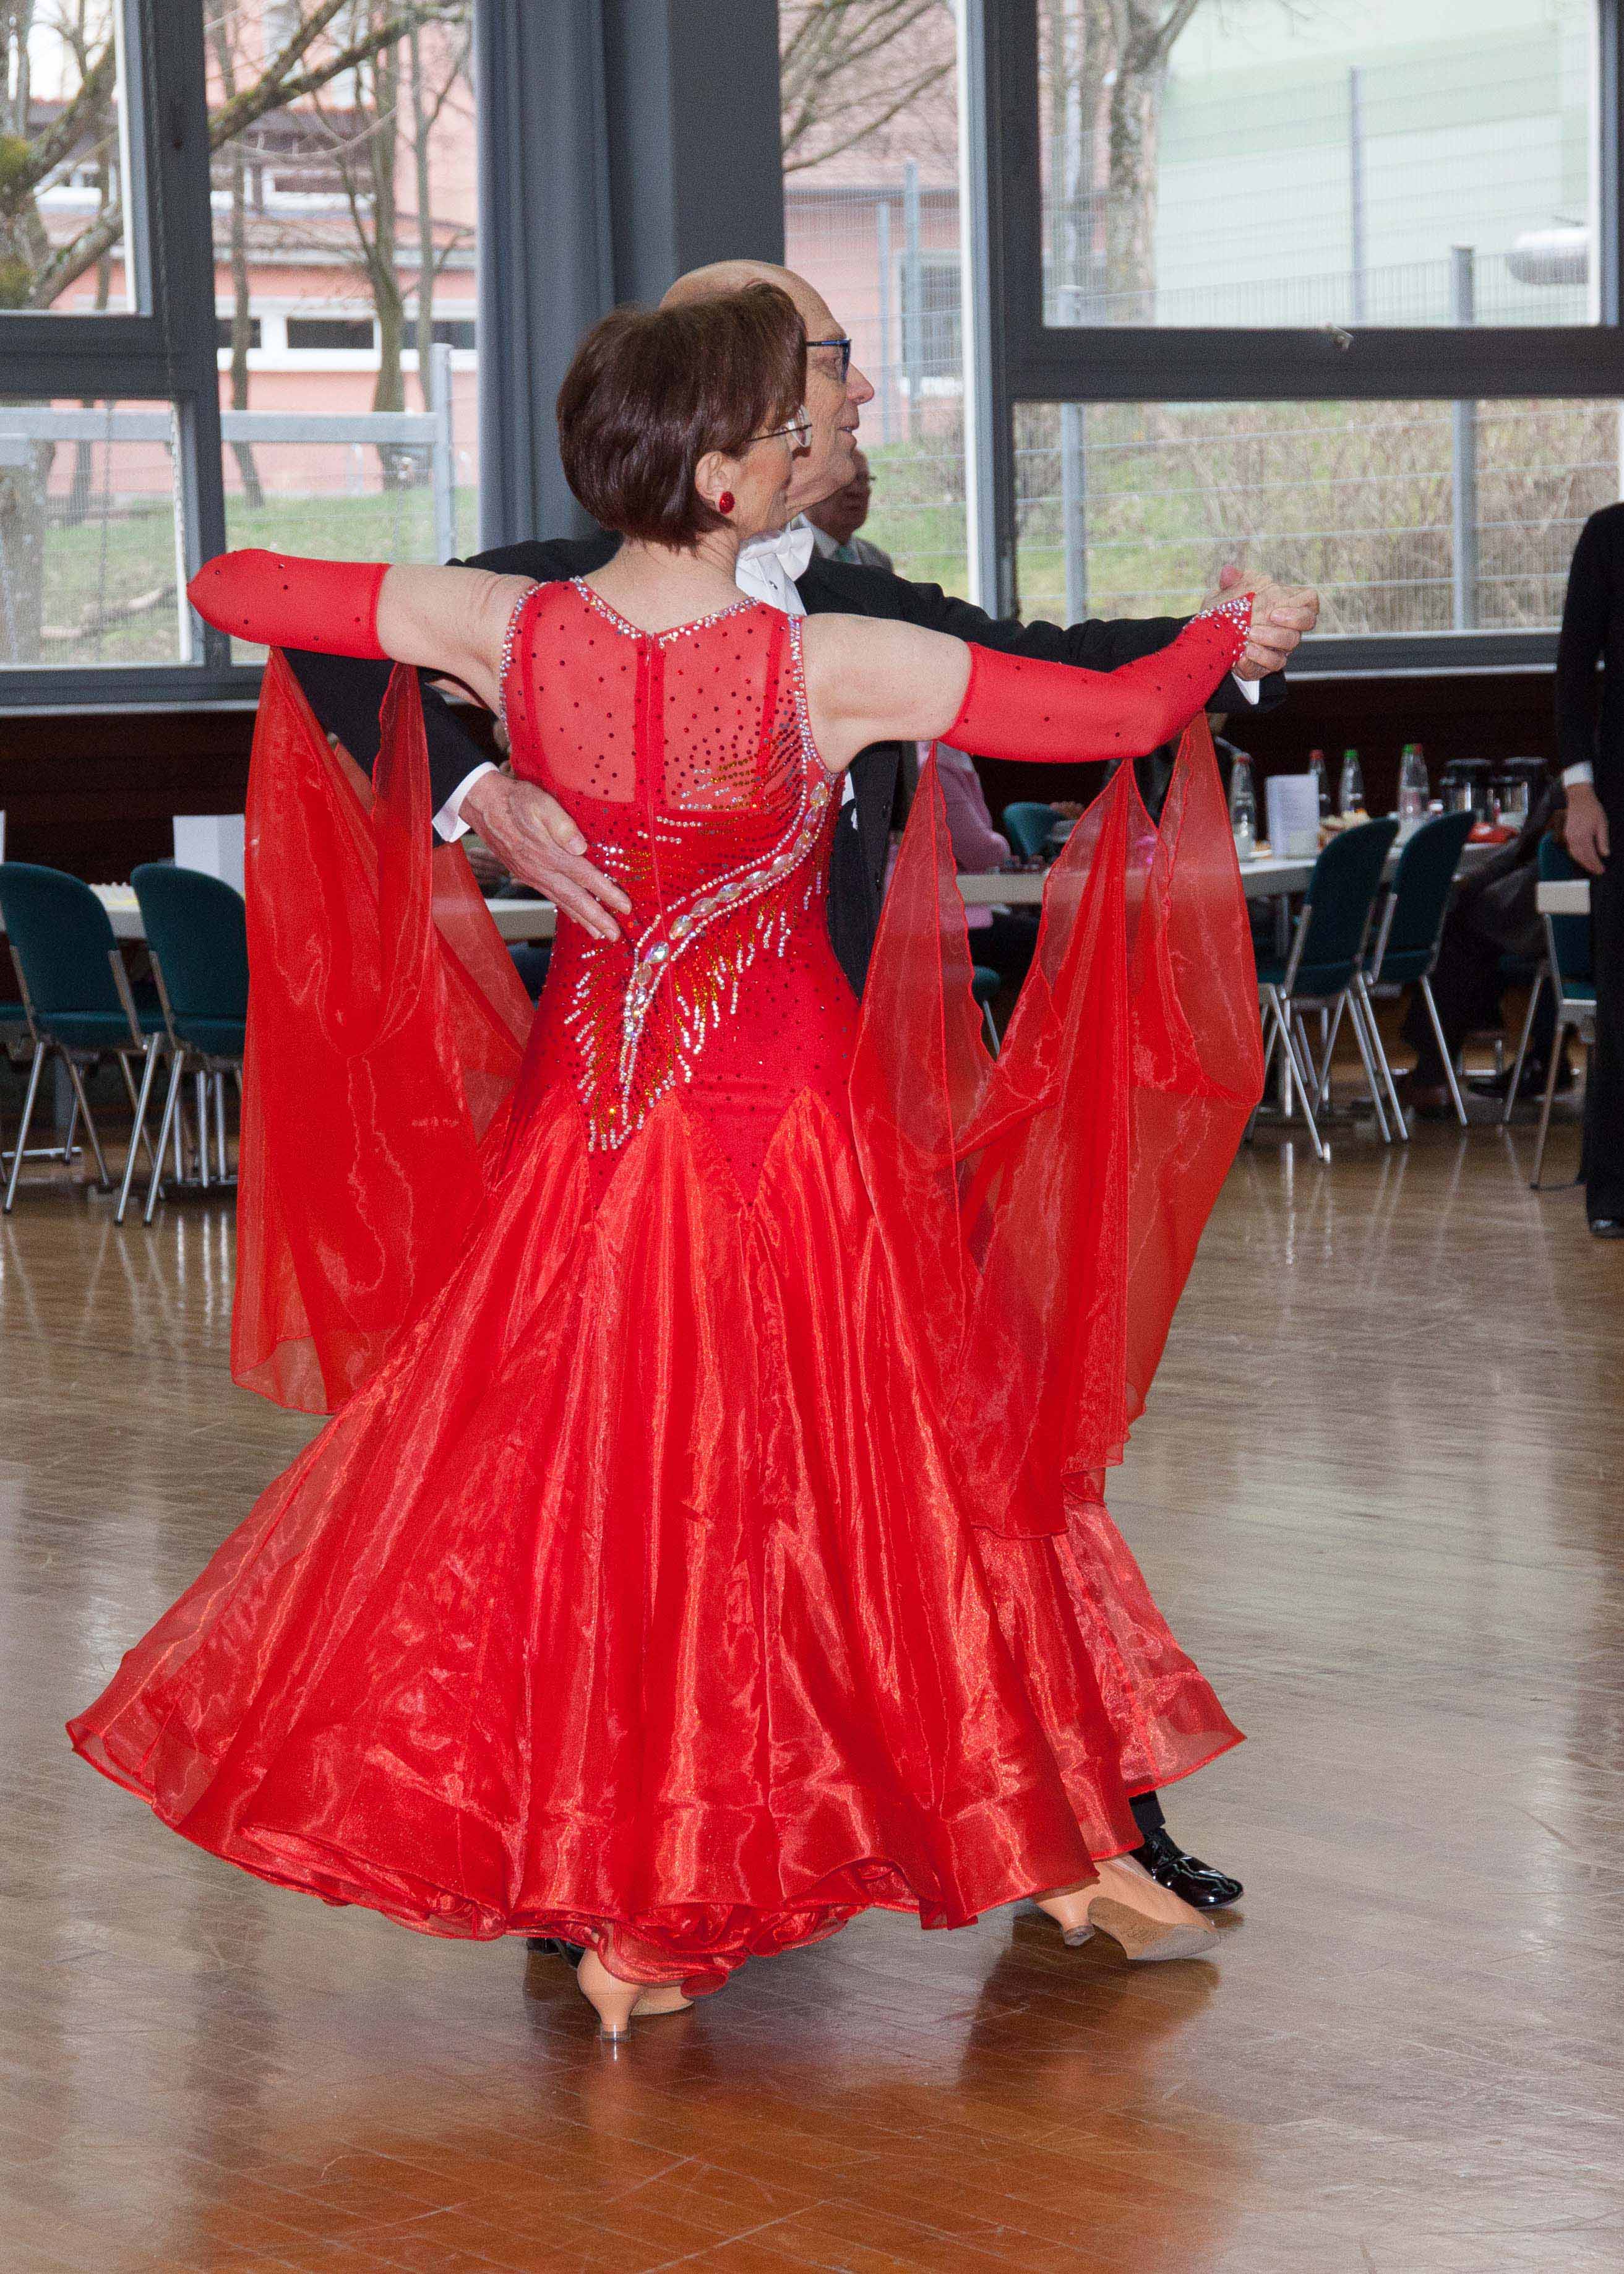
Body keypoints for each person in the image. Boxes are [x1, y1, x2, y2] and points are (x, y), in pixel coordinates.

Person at [71, 287, 1273, 2039]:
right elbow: (1115, 718)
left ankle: (652, 1906)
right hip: (793, 1158)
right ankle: (961, 1848)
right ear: (720, 478)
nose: (808, 450)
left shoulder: (505, 627)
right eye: (786, 433)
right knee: (867, 1497)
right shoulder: (825, 668)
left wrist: (479, 751)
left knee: (608, 1513)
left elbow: (236, 584)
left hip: (588, 1152)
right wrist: (1227, 624)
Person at [1398, 782, 1568, 1118]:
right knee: (1479, 933)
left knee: (1456, 932)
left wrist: (1466, 887)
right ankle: (1544, 1057)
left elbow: (1522, 848)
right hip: (1573, 913)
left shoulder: (1580, 780)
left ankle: (1432, 1075)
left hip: (1554, 906)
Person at [1555, 507, 1624, 1236]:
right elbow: (1573, 672)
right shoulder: (1609, 536)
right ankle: (1614, 1193)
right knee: (1621, 999)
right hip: (1619, 798)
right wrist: (1580, 792)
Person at [806, 446, 892, 571]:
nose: (856, 491)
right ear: (808, 488)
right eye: (843, 479)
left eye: (863, 479)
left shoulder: (879, 561)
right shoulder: (783, 556)